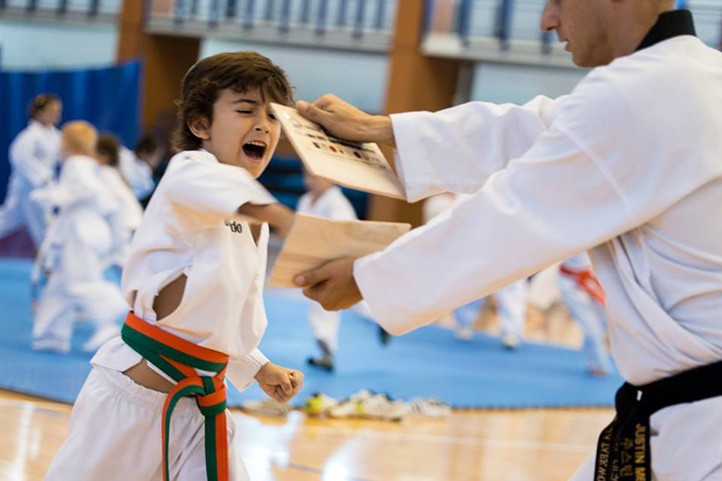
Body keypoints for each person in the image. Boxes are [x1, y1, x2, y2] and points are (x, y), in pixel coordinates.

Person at [293, 2, 722, 480]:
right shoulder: (691, 80)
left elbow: (511, 220)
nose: (547, 20)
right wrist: (385, 129)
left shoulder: (640, 95)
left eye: (558, 0)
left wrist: (368, 276)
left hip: (703, 427)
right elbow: (528, 130)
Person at [45, 51, 303, 481]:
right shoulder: (190, 170)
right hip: (135, 399)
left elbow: (217, 314)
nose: (263, 125)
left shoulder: (248, 212)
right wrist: (285, 218)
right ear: (200, 124)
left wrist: (257, 366)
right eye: (245, 111)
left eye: (275, 117)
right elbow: (214, 187)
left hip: (199, 404)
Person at [30, 121, 127, 354]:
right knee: (60, 286)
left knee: (79, 283)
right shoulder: (87, 164)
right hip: (87, 229)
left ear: (66, 143)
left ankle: (110, 313)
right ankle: (52, 335)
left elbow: (87, 191)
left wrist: (55, 196)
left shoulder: (76, 164)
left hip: (80, 232)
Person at [424, 193, 528, 346]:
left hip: (507, 242)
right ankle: (464, 323)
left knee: (511, 288)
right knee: (471, 284)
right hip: (478, 242)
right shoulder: (470, 191)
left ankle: (511, 332)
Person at [297, 170, 357, 371]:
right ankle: (326, 351)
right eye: (307, 175)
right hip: (314, 263)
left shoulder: (337, 203)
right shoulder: (306, 200)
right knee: (321, 305)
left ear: (330, 176)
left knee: (337, 305)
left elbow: (345, 236)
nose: (309, 180)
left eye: (315, 176)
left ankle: (382, 320)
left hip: (337, 265)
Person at [0, 93, 62, 247]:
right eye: (51, 111)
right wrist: (44, 178)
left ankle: (49, 262)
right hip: (27, 188)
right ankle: (50, 263)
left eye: (58, 111)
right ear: (38, 112)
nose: (56, 115)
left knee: (13, 221)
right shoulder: (29, 137)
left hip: (41, 188)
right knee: (39, 225)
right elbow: (21, 159)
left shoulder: (55, 135)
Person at [558, 253, 612, 377]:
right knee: (593, 329)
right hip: (571, 283)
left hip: (591, 278)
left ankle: (594, 358)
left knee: (606, 322)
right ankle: (598, 365)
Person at [95, 134, 145, 267]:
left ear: (104, 155)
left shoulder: (104, 174)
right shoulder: (115, 174)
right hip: (134, 223)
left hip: (125, 226)